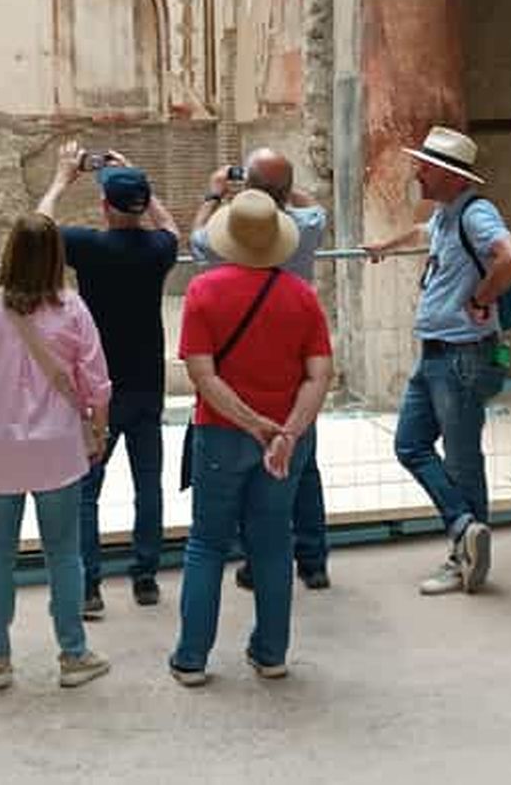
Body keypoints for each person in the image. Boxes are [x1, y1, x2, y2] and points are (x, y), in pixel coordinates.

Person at [171, 189, 333, 686]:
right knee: (273, 543)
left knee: (207, 545)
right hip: (286, 440)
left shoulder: (203, 292)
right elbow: (320, 374)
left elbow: (203, 374)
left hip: (221, 433)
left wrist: (249, 420)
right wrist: (287, 432)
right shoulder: (302, 295)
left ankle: (192, 659)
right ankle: (271, 653)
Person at [0, 213, 112, 690]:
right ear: (57, 258)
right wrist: (98, 431)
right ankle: (73, 654)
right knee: (63, 553)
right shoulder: (73, 309)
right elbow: (96, 381)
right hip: (57, 449)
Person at [364, 126, 511, 595]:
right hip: (437, 353)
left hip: (461, 356)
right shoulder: (447, 214)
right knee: (410, 444)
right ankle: (464, 528)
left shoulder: (476, 214)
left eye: (426, 167)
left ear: (453, 177)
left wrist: (480, 297)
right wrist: (386, 247)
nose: (418, 172)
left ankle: (465, 558)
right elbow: (424, 231)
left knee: (461, 461)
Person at [38, 143, 179, 614]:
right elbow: (170, 228)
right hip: (147, 384)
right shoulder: (159, 250)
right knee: (148, 485)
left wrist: (62, 179)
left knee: (86, 491)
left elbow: (40, 230)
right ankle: (146, 578)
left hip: (97, 387)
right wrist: (138, 179)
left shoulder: (90, 247)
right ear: (141, 205)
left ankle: (90, 586)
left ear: (104, 206)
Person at [189, 147, 331, 590]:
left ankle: (256, 560)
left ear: (247, 189)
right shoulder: (306, 228)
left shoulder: (218, 243)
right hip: (294, 368)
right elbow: (317, 210)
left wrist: (215, 195)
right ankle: (313, 560)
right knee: (302, 467)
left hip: (236, 374)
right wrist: (284, 192)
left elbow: (195, 237)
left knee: (243, 487)